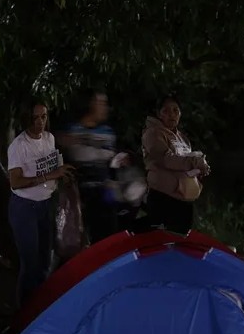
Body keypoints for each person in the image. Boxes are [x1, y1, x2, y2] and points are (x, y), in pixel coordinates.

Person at [7, 98, 75, 305]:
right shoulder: (19, 146)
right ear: (26, 119)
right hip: (25, 207)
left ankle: (41, 305)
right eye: (35, 117)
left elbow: (52, 164)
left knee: (46, 258)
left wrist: (62, 174)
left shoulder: (49, 139)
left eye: (43, 116)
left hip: (46, 204)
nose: (40, 122)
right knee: (30, 263)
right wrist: (49, 175)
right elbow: (16, 182)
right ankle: (24, 312)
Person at [59, 88, 124, 244]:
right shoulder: (72, 131)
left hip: (105, 196)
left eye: (104, 103)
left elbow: (111, 162)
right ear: (89, 104)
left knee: (107, 240)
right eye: (100, 102)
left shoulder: (107, 132)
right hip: (79, 198)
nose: (104, 107)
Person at [141, 94, 210, 234]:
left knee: (181, 242)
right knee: (162, 242)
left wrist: (200, 169)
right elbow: (166, 159)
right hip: (164, 197)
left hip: (184, 198)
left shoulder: (182, 138)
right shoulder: (153, 133)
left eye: (176, 110)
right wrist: (194, 162)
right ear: (158, 113)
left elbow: (185, 164)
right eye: (166, 111)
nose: (172, 114)